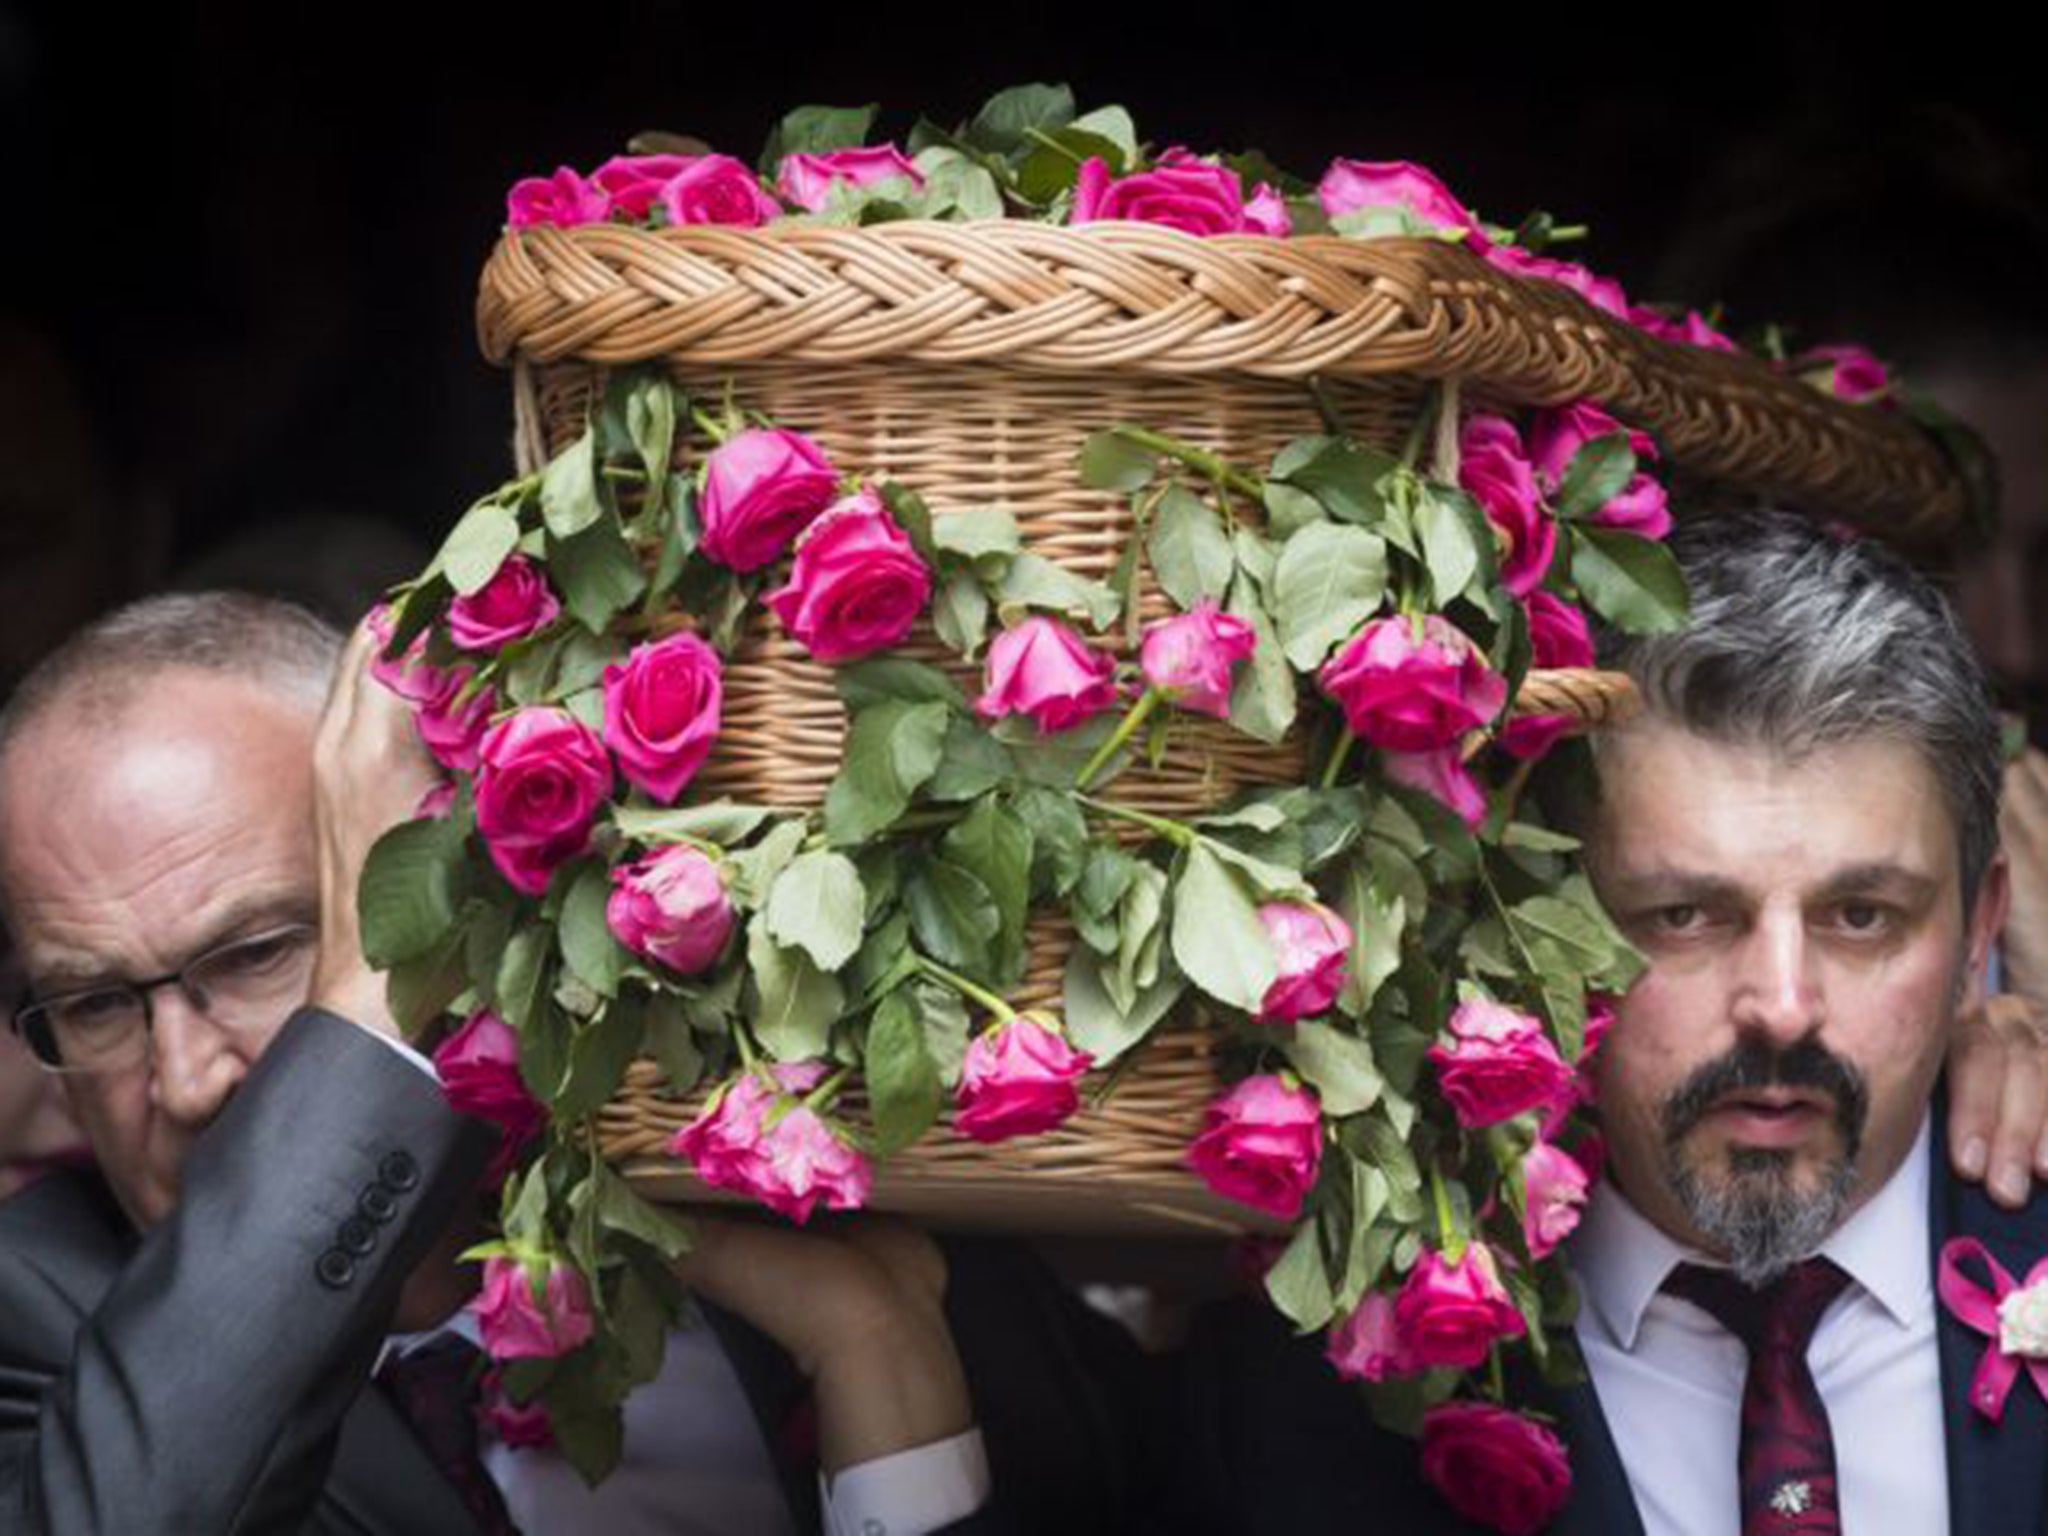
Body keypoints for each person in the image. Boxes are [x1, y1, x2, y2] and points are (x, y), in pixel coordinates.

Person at [0, 592, 1140, 1535]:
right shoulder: (35, 1315)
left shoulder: (818, 1196)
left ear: (461, 879)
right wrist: (359, 1003)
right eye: (96, 1003)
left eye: (255, 951)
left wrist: (877, 1365)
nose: (190, 1080)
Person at [1163, 508, 2048, 1534]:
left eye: (1859, 917)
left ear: (1978, 923)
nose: (1779, 1004)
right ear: (1539, 917)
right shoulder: (1299, 1411)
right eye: (1680, 915)